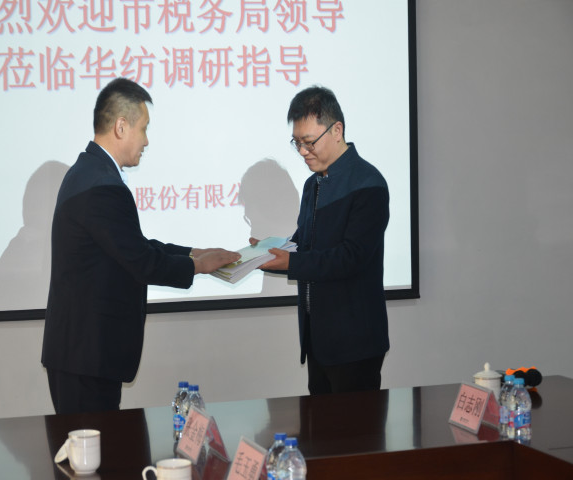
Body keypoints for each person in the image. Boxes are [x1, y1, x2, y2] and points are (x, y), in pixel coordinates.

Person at [41, 78, 240, 414]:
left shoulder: (90, 173)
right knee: (96, 447)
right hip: (87, 357)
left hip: (82, 354)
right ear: (121, 126)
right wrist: (197, 266)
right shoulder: (101, 185)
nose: (146, 141)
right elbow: (140, 260)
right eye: (143, 129)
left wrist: (192, 253)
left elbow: (130, 245)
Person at [254, 86, 390, 395]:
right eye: (297, 143)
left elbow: (351, 257)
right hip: (318, 338)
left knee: (356, 427)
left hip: (355, 343)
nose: (303, 151)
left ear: (337, 130)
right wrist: (265, 252)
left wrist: (291, 262)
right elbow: (304, 243)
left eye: (309, 142)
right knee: (318, 426)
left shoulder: (368, 184)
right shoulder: (312, 184)